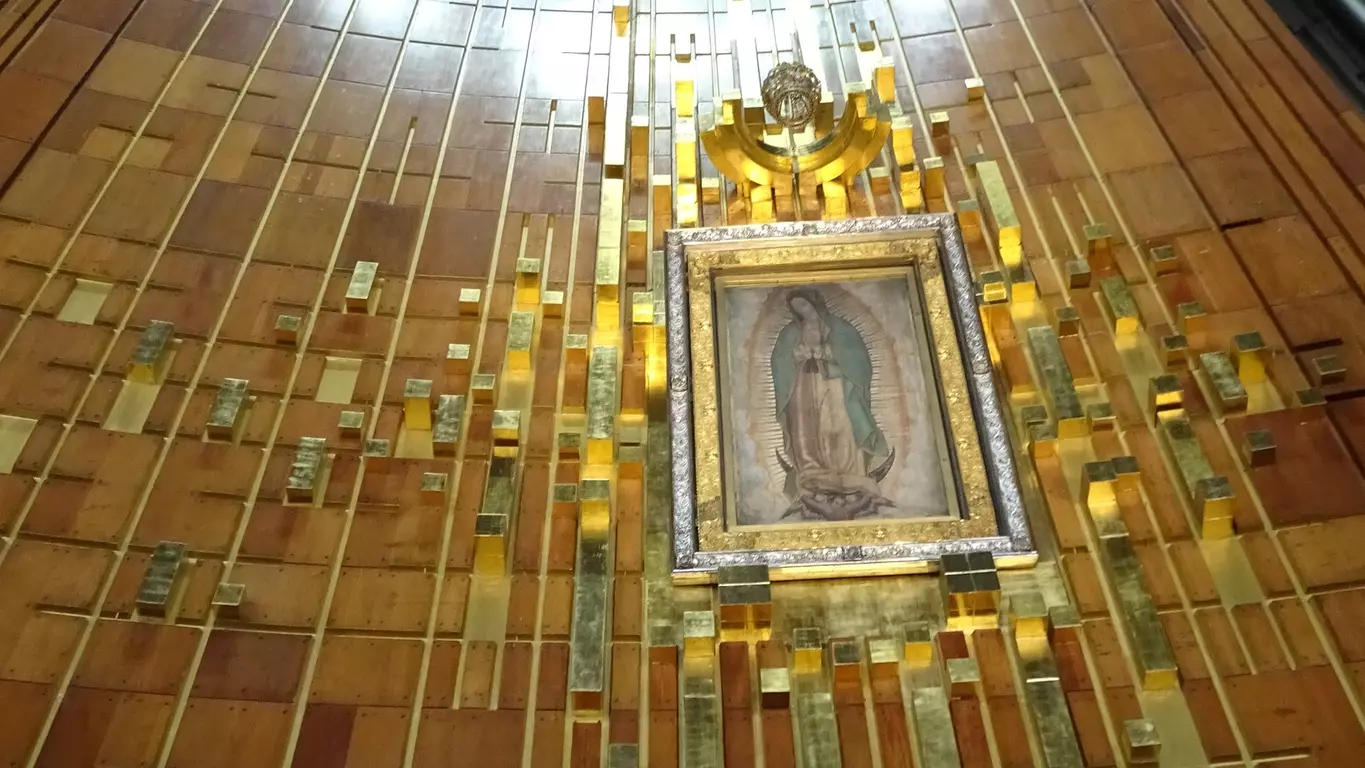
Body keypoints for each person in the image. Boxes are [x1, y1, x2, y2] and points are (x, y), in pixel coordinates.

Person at [770, 287, 895, 521]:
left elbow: (858, 362)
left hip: (836, 384)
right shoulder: (790, 333)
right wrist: (796, 357)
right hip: (803, 386)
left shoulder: (842, 329)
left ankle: (850, 471)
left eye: (804, 305)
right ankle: (812, 469)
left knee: (840, 424)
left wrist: (829, 355)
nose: (802, 311)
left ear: (815, 303)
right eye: (796, 308)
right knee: (807, 429)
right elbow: (779, 361)